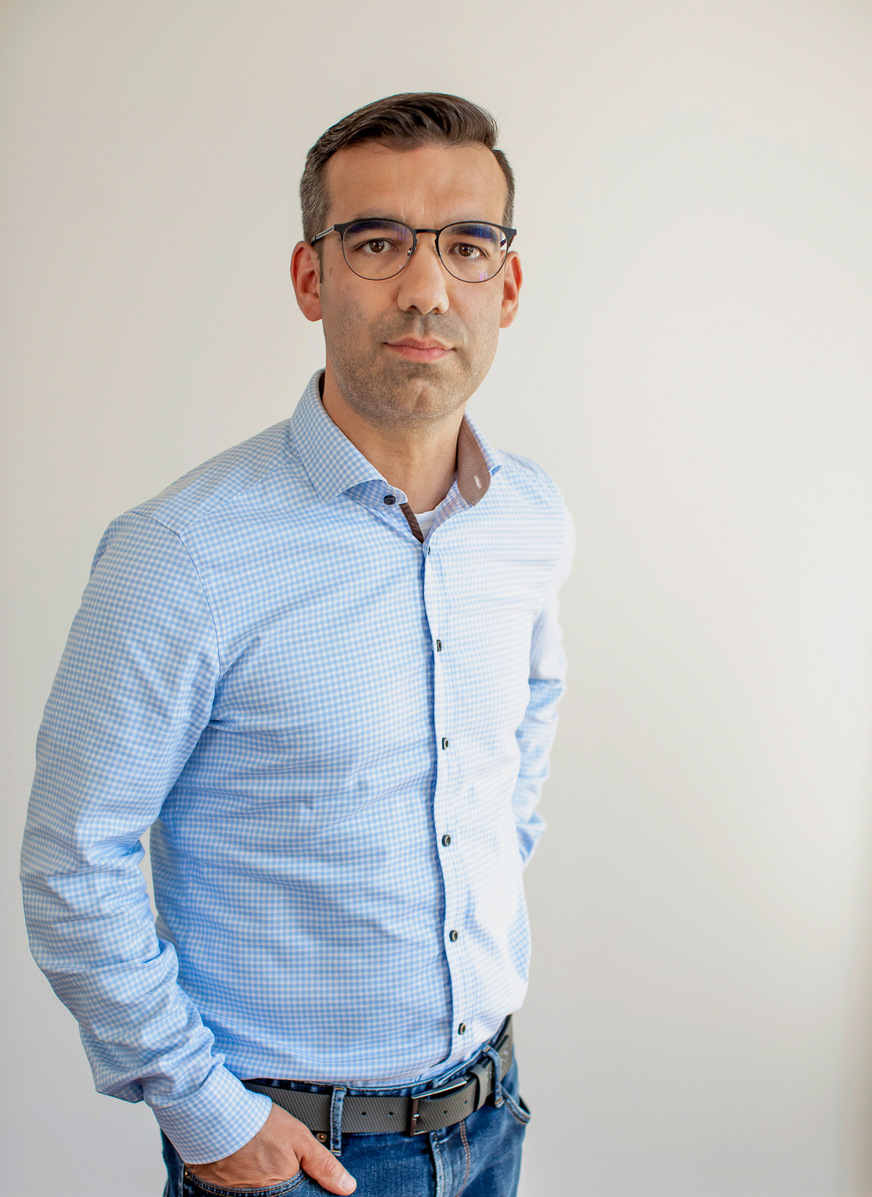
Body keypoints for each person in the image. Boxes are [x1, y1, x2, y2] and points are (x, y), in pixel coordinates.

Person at [21, 92, 573, 1197]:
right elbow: (73, 863)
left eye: (466, 245)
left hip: (490, 1114)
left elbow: (518, 748)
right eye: (377, 242)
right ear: (310, 277)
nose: (426, 288)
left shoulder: (529, 517)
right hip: (295, 1159)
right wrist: (206, 1114)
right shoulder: (182, 553)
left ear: (506, 286)